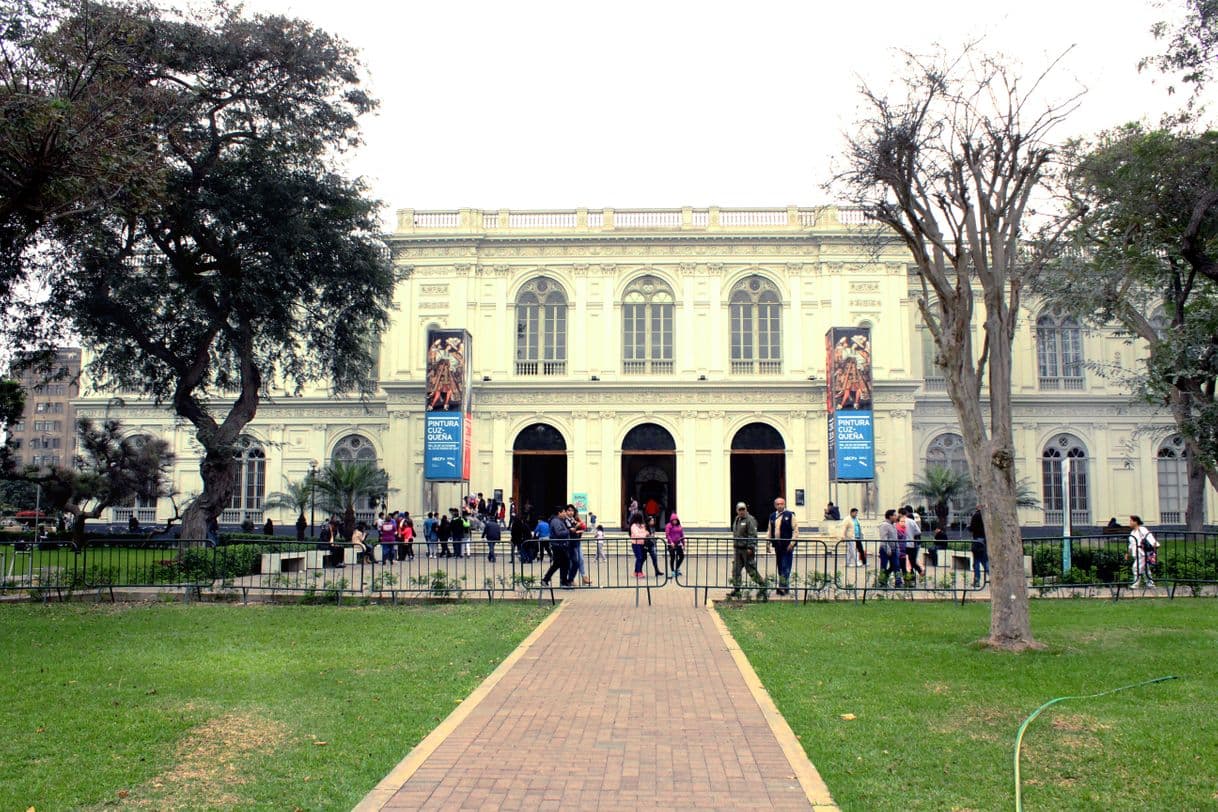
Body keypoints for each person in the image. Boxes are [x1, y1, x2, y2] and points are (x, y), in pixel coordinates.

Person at [728, 502, 765, 598]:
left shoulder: (750, 520)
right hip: (737, 549)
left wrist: (750, 547)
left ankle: (763, 586)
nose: (741, 511)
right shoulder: (737, 519)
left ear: (746, 509)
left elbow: (752, 534)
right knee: (735, 570)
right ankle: (736, 589)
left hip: (746, 549)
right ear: (736, 510)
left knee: (751, 570)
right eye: (740, 509)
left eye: (743, 509)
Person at [768, 496, 798, 595]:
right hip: (778, 545)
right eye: (778, 504)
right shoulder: (772, 516)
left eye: (782, 504)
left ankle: (782, 587)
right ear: (775, 505)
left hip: (787, 545)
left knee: (786, 566)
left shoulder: (790, 515)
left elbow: (795, 530)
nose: (780, 506)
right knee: (780, 566)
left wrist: (792, 543)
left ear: (784, 504)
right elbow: (769, 530)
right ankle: (785, 587)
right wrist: (768, 543)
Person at [542, 507, 572, 588]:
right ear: (559, 513)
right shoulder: (556, 521)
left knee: (560, 564)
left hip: (560, 545)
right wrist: (568, 531)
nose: (565, 513)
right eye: (564, 512)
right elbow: (558, 533)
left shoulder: (559, 521)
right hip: (558, 546)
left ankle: (547, 580)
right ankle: (562, 582)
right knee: (563, 564)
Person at [1127, 514, 1158, 588]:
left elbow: (1149, 536)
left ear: (1136, 522)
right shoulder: (1132, 532)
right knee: (1145, 569)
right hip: (1136, 553)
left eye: (1131, 521)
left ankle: (1136, 583)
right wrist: (1128, 553)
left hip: (1142, 552)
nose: (1130, 523)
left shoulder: (1142, 529)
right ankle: (1150, 583)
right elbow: (1131, 544)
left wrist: (1154, 544)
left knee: (1136, 567)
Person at [878, 509, 901, 587]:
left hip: (894, 548)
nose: (896, 516)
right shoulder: (884, 525)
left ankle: (898, 582)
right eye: (894, 515)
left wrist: (897, 549)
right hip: (885, 549)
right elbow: (883, 538)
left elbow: (895, 538)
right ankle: (882, 582)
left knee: (896, 566)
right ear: (890, 516)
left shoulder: (893, 525)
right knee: (883, 566)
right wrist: (887, 549)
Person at [969, 505, 988, 588]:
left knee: (977, 562)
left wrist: (969, 528)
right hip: (984, 539)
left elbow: (972, 527)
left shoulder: (976, 515)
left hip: (977, 539)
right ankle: (994, 578)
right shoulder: (986, 515)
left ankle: (977, 581)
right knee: (985, 560)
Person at [629, 511, 649, 578]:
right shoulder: (633, 526)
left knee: (643, 557)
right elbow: (636, 534)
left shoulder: (642, 525)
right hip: (636, 544)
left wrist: (646, 533)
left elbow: (645, 531)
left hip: (642, 543)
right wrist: (644, 534)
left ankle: (636, 571)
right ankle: (639, 572)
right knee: (639, 557)